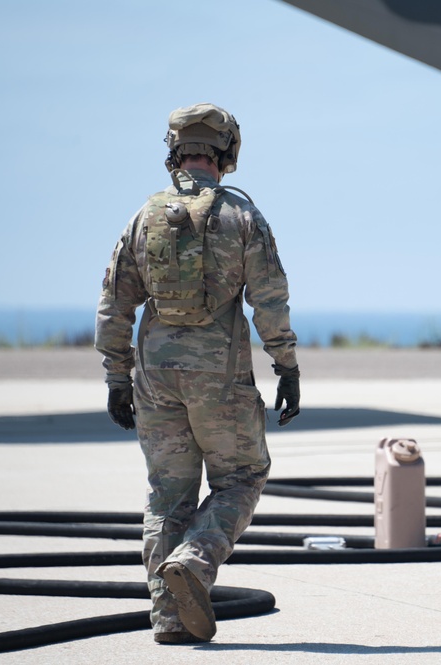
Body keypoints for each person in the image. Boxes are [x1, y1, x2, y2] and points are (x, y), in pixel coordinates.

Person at [95, 103, 300, 645]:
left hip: (155, 380)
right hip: (219, 380)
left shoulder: (143, 217)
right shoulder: (241, 216)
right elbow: (270, 302)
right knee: (241, 478)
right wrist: (287, 366)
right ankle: (195, 559)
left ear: (174, 148)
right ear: (227, 150)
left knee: (168, 495)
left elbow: (114, 305)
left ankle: (168, 619)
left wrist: (117, 378)